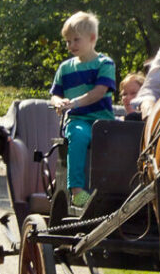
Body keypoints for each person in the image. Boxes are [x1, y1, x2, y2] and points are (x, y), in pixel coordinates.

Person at [49, 11, 117, 208]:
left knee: (124, 141)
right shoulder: (65, 68)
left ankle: (118, 192)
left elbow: (99, 92)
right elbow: (55, 95)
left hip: (103, 121)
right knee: (78, 136)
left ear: (92, 38)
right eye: (68, 41)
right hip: (78, 119)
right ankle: (77, 191)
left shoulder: (105, 63)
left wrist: (74, 102)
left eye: (76, 40)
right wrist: (58, 102)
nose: (71, 45)